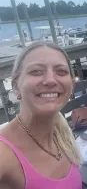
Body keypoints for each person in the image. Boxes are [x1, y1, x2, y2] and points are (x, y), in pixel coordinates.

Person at [0, 41, 82, 188]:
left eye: (61, 71)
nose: (50, 80)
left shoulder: (61, 129)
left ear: (71, 85)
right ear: (16, 87)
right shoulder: (4, 153)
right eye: (36, 71)